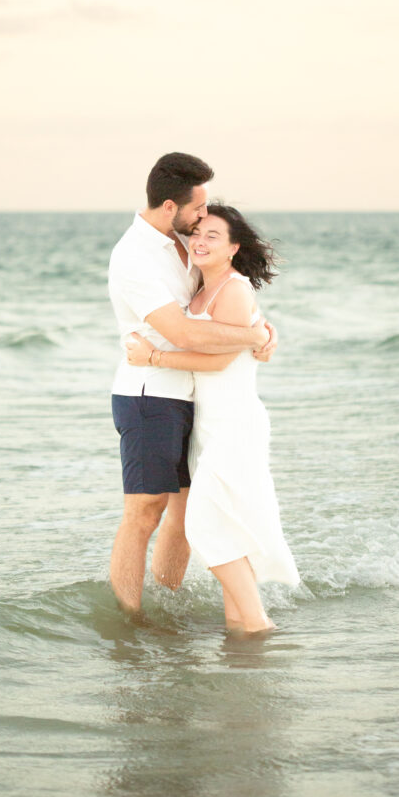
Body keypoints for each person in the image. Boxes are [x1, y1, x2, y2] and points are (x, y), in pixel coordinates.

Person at [108, 154, 277, 615]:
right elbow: (183, 332)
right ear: (169, 205)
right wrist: (251, 337)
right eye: (197, 209)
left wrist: (263, 327)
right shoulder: (134, 257)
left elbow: (222, 301)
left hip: (191, 396)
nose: (203, 217)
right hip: (151, 395)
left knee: (183, 516)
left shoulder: (181, 242)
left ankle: (166, 609)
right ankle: (130, 621)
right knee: (144, 513)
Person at [125, 204, 300, 633]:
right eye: (197, 232)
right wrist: (263, 331)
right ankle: (239, 627)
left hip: (235, 424)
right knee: (225, 522)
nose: (200, 241)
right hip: (208, 424)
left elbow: (219, 360)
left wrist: (154, 357)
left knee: (203, 522)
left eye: (213, 236)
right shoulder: (199, 291)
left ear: (233, 248)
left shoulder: (234, 289)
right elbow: (235, 335)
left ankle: (258, 624)